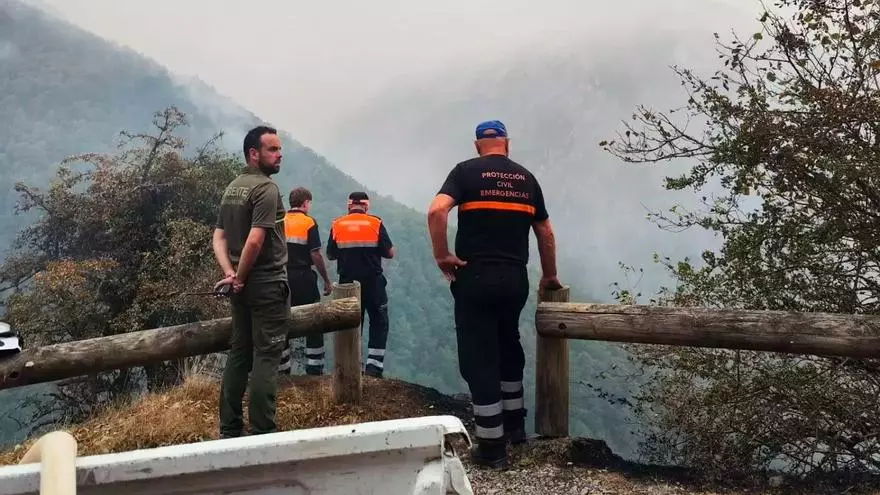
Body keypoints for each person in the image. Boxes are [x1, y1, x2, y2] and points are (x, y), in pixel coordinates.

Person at [427, 119, 562, 468]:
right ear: (507, 143)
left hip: (475, 277)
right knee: (508, 346)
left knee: (479, 356)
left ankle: (491, 447)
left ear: (477, 146)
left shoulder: (465, 173)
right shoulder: (526, 179)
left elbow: (437, 210)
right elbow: (545, 232)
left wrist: (442, 254)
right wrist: (549, 276)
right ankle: (515, 428)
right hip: (515, 280)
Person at [212, 125, 290, 438]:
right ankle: (262, 432)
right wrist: (241, 277)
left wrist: (230, 274)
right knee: (266, 356)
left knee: (239, 354)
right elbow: (256, 240)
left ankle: (229, 429)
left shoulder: (233, 187)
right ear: (254, 154)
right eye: (273, 149)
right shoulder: (266, 189)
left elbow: (219, 237)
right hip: (267, 284)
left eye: (280, 148)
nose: (279, 154)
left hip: (240, 288)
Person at [326, 192, 395, 378]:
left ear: (349, 206)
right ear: (366, 206)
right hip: (373, 281)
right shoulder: (376, 223)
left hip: (347, 283)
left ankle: (352, 365)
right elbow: (390, 253)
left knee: (351, 323)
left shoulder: (337, 224)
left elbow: (330, 255)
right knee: (379, 320)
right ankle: (374, 368)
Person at [277, 186, 333, 376]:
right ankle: (314, 369)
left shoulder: (280, 220)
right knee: (314, 320)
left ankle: (283, 369)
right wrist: (326, 280)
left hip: (281, 276)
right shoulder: (309, 222)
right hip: (303, 278)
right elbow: (315, 254)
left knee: (281, 321)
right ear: (306, 203)